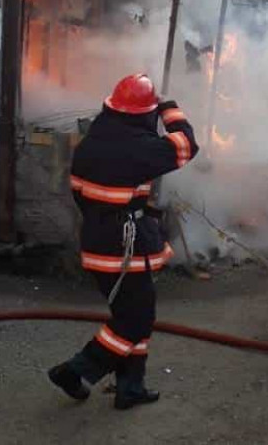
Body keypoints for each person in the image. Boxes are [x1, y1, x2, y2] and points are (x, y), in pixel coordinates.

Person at [48, 74, 199, 410]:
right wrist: (170, 108)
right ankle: (74, 371)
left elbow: (81, 195)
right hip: (126, 250)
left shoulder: (89, 144)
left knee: (132, 315)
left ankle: (131, 386)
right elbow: (186, 145)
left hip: (98, 242)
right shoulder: (139, 148)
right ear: (145, 115)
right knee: (134, 322)